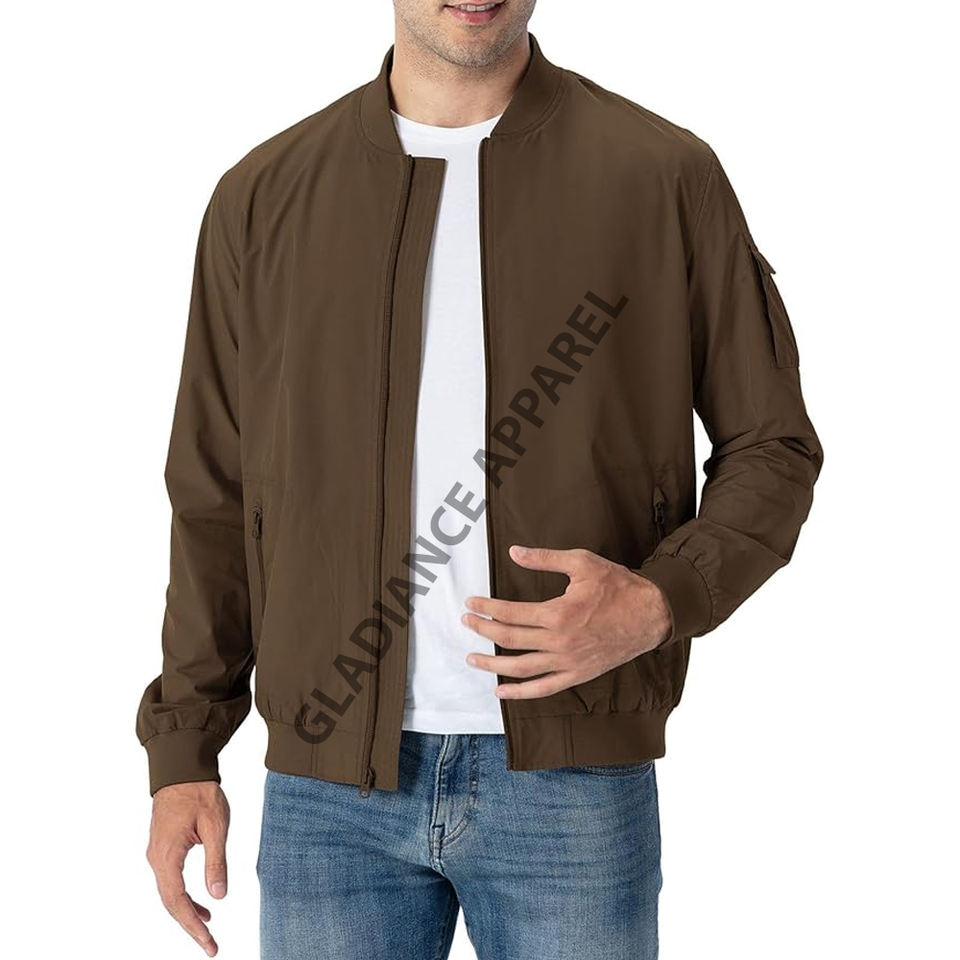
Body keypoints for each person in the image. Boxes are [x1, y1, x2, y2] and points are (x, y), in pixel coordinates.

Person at [138, 2, 823, 958]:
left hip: (572, 780)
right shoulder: (266, 194)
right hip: (329, 795)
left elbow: (773, 445)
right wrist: (185, 749)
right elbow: (214, 493)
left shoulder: (660, 174)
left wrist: (660, 601)